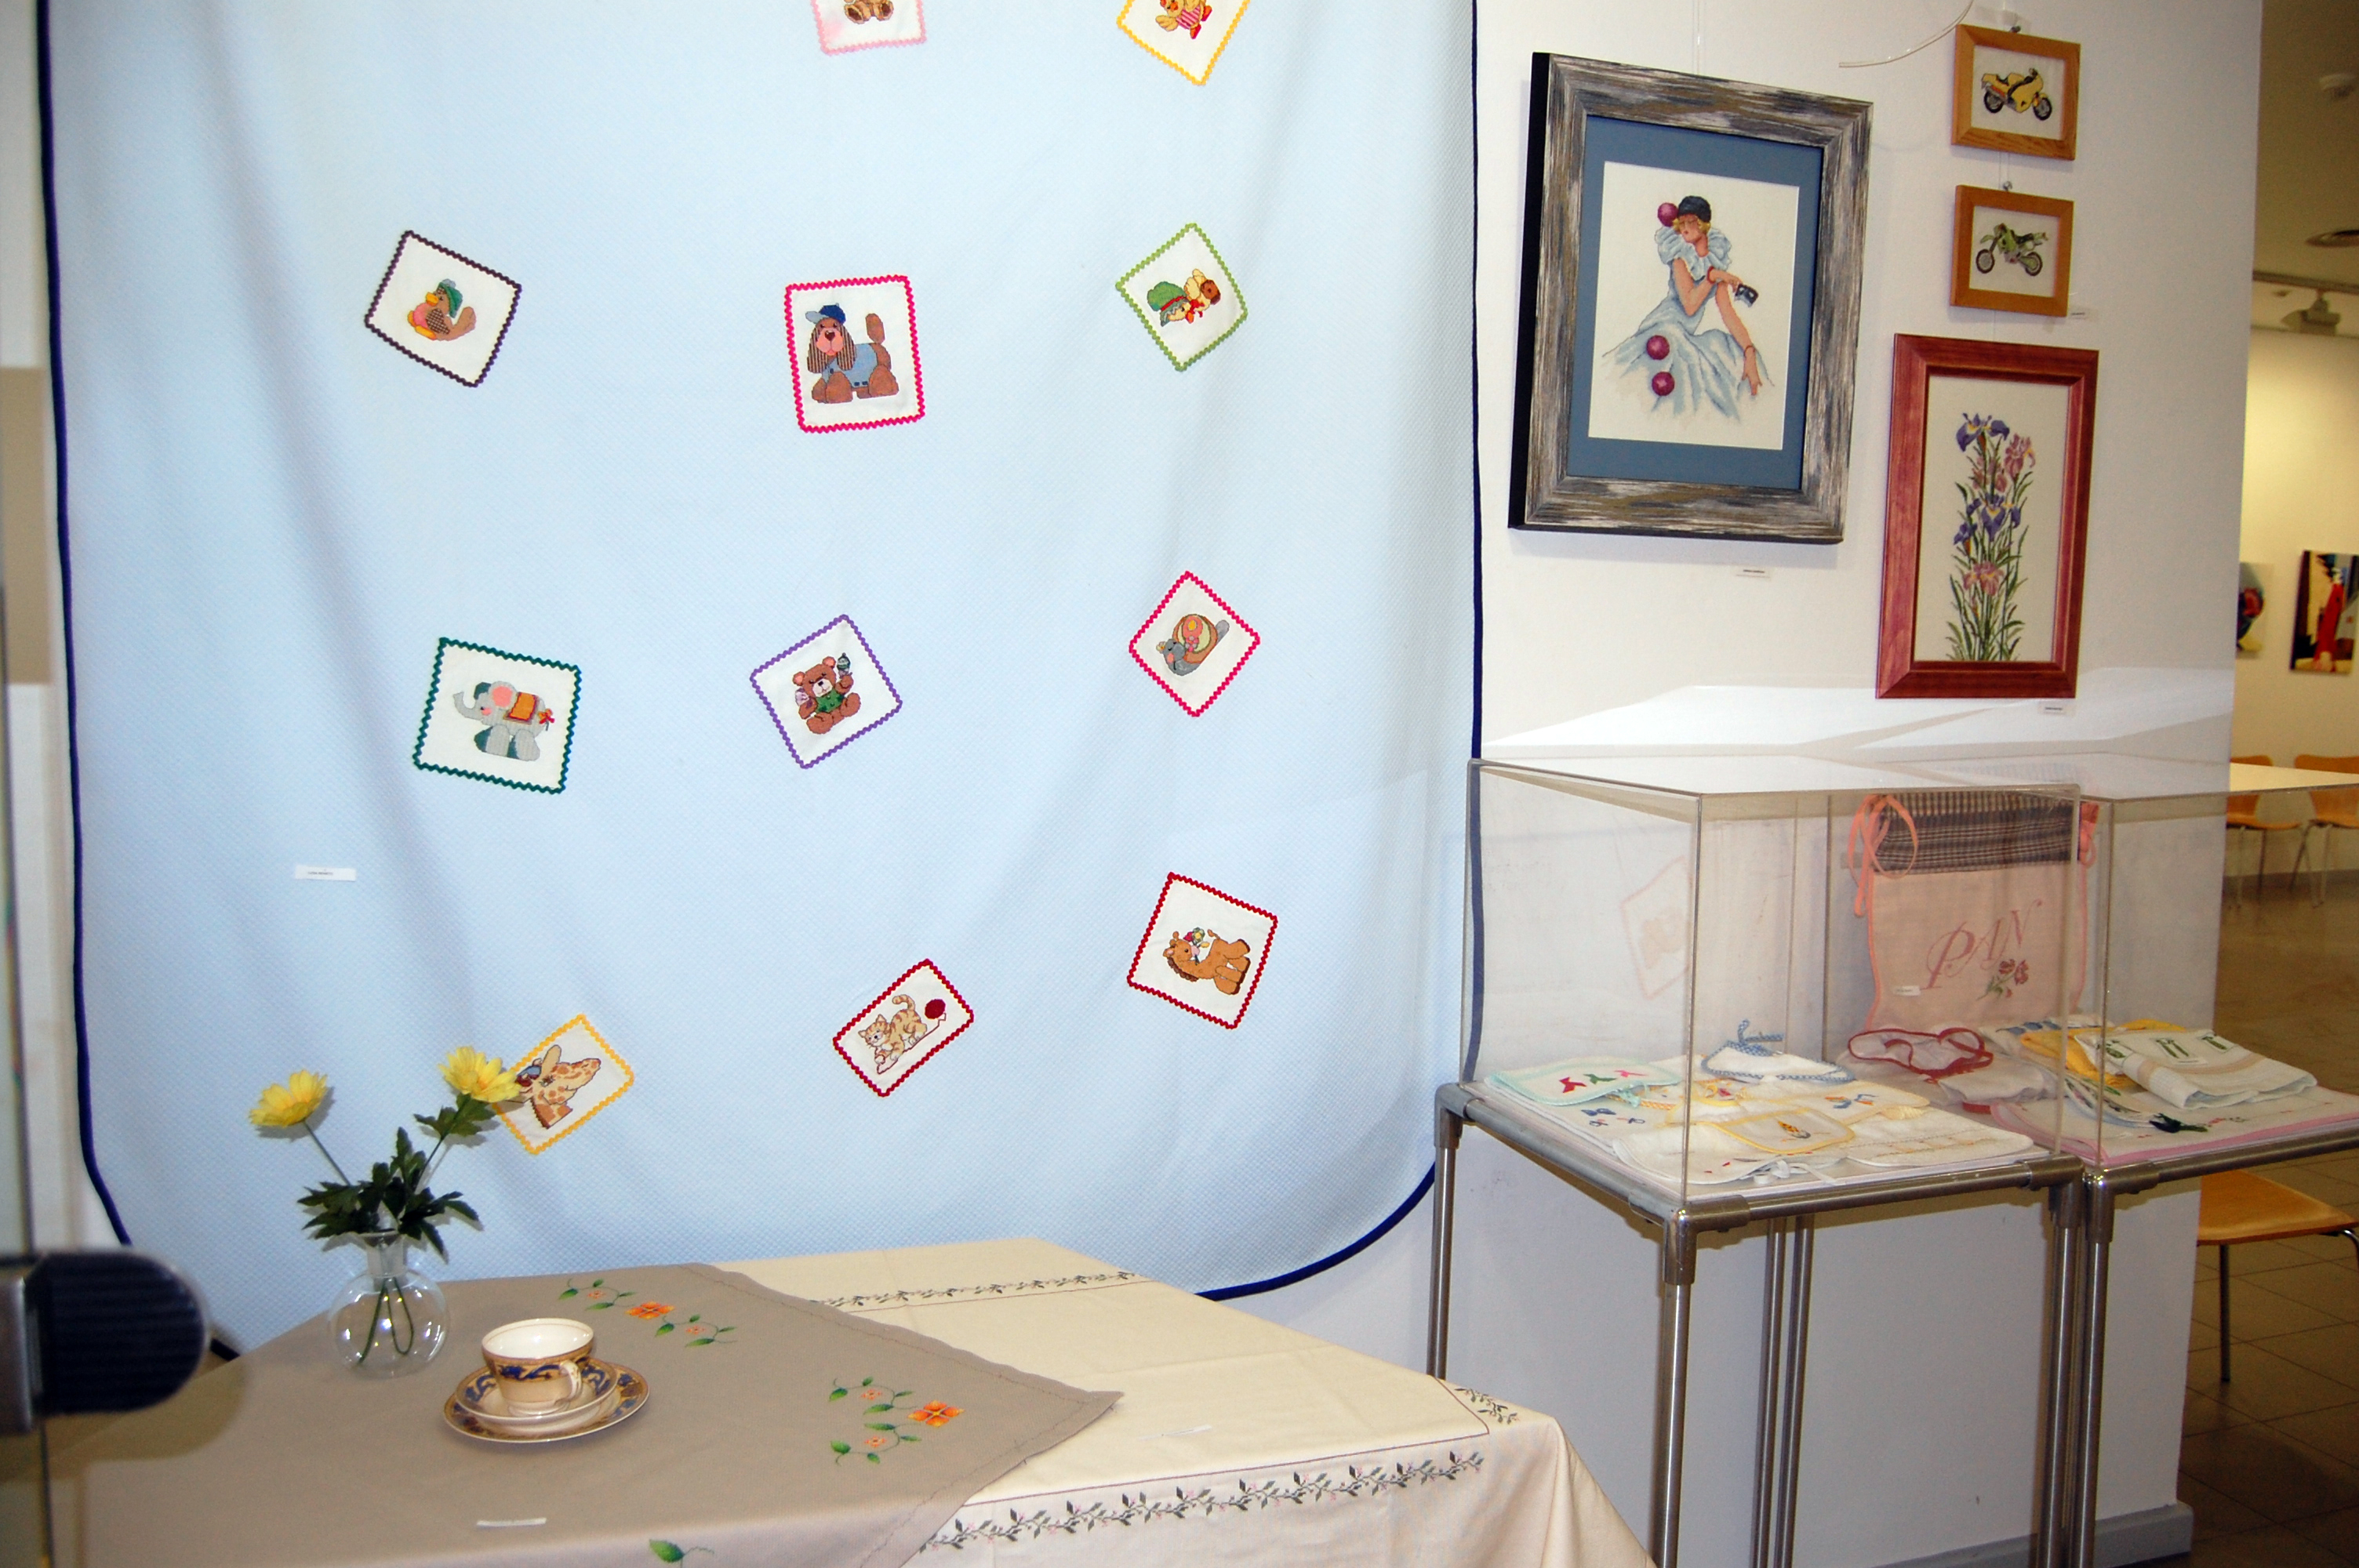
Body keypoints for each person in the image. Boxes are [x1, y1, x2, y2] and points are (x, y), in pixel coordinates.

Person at [1605, 194, 1768, 419]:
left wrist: (1749, 351)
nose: (1684, 229)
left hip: (1686, 333)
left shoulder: (1715, 260)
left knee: (1731, 353)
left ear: (1703, 224)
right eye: (1681, 224)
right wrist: (1713, 277)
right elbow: (1690, 305)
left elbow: (1728, 313)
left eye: (1690, 222)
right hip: (1665, 327)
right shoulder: (1680, 258)